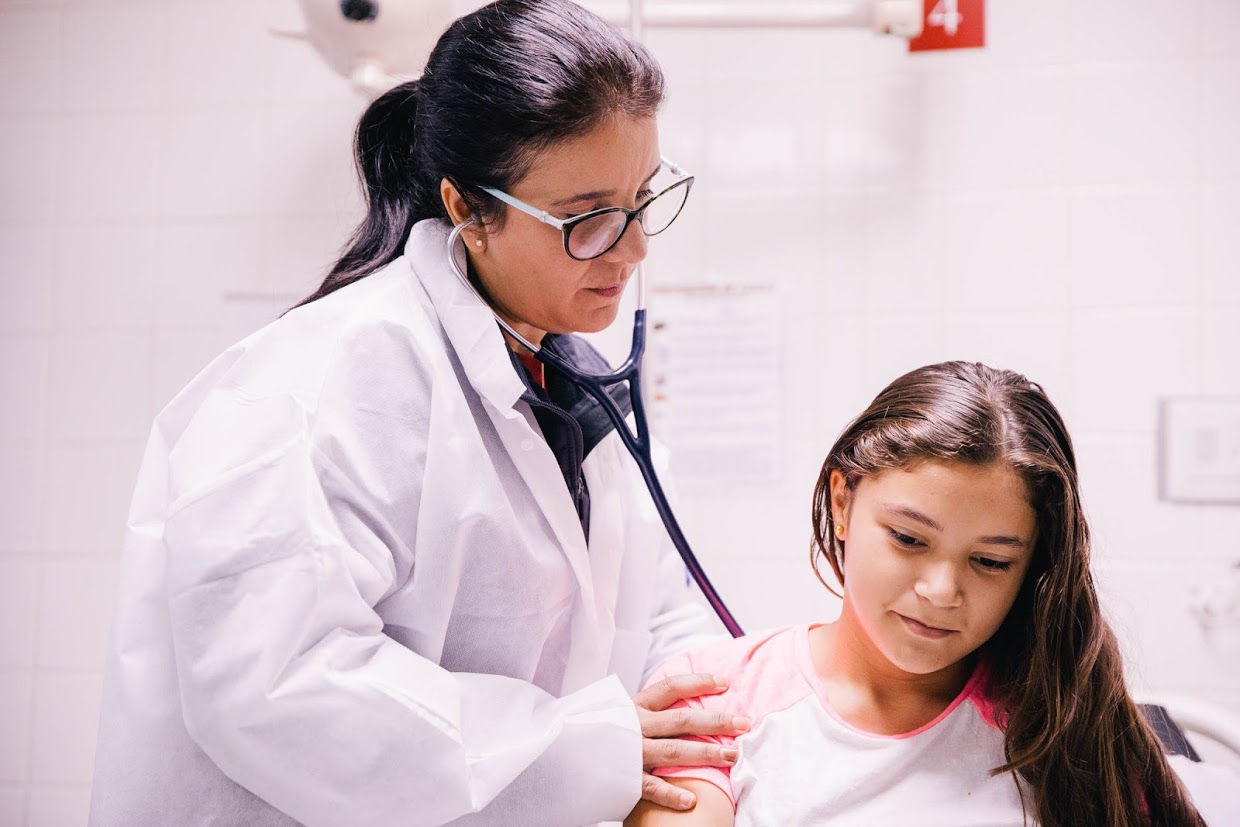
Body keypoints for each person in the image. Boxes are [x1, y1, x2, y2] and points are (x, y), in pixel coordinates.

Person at [88, 2, 746, 824]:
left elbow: (654, 602)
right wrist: (587, 749)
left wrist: (704, 749)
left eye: (644, 198)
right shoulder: (317, 385)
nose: (634, 247)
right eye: (588, 219)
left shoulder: (571, 384)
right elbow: (281, 692)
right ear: (469, 209)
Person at [626, 362, 1226, 827]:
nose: (941, 592)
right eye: (909, 539)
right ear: (842, 504)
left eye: (991, 561)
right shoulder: (716, 700)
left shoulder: (1059, 716)